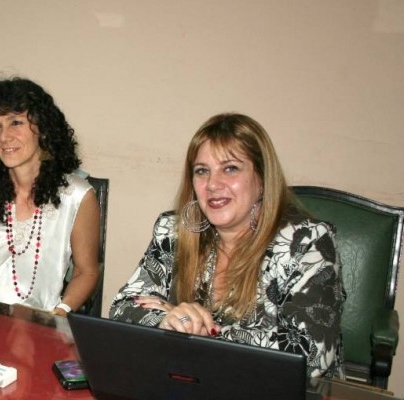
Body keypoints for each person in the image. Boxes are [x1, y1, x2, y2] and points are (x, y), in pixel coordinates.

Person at [110, 113, 345, 378]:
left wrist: (200, 331)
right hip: (194, 384)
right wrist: (167, 320)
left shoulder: (305, 243)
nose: (212, 184)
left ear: (263, 179)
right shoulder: (173, 231)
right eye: (202, 171)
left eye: (230, 168)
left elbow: (309, 355)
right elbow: (123, 308)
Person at [0, 77, 100, 315]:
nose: (4, 137)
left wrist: (60, 312)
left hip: (44, 322)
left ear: (43, 128)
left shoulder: (78, 196)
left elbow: (86, 272)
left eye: (15, 122)